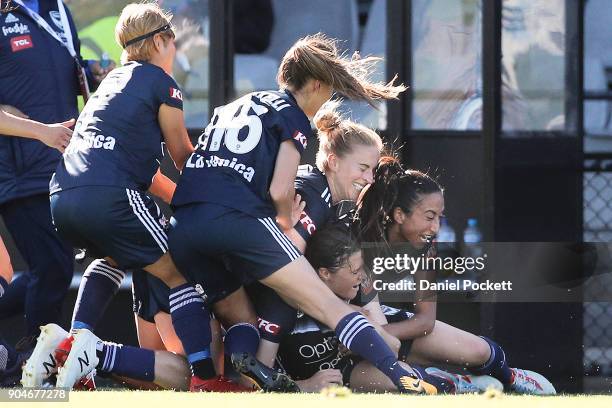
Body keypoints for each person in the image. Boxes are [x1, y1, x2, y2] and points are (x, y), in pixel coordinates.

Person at [168, 32, 445, 394]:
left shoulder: (238, 104)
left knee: (239, 317)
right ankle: (403, 378)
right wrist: (284, 221)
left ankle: (218, 377)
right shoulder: (293, 115)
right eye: (329, 89)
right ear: (315, 84)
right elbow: (280, 190)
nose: (328, 99)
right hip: (234, 220)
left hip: (183, 222)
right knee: (327, 304)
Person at [21, 2, 223, 392]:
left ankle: (68, 345)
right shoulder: (162, 83)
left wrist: (180, 196)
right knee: (178, 270)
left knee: (112, 257)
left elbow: (145, 173)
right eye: (174, 41)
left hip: (63, 196)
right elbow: (182, 155)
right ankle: (206, 378)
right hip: (108, 196)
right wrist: (218, 194)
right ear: (162, 40)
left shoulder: (111, 83)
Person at [353, 156, 556, 395]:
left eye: (439, 217)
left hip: (379, 327)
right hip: (346, 329)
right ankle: (453, 383)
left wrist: (378, 334)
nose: (436, 227)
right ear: (399, 215)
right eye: (429, 217)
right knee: (398, 380)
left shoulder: (426, 246)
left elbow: (425, 321)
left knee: (479, 351)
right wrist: (364, 335)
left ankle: (510, 377)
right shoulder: (358, 237)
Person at [0, 0, 113, 350]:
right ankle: (37, 360)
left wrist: (93, 72)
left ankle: (35, 359)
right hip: (17, 171)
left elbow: (65, 67)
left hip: (62, 165)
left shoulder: (58, 8)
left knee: (54, 269)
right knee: (51, 268)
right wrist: (39, 132)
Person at [275, 223, 501, 394]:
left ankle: (512, 377)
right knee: (410, 383)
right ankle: (458, 384)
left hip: (380, 350)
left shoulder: (358, 290)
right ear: (325, 273)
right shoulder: (284, 307)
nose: (361, 277)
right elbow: (255, 374)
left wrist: (365, 327)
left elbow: (392, 347)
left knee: (479, 351)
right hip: (342, 370)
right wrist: (303, 386)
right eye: (354, 271)